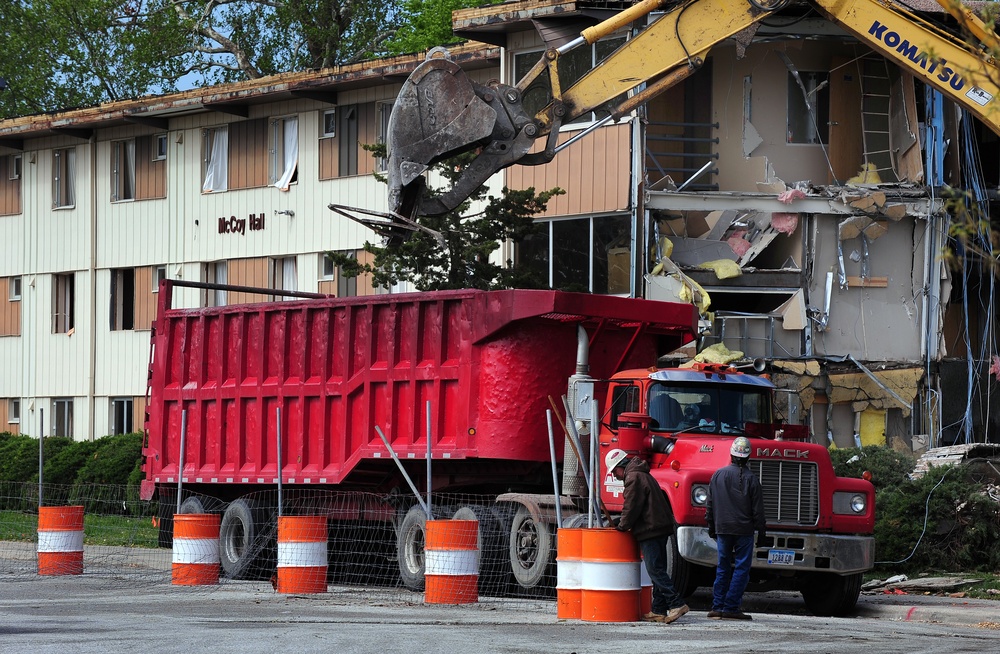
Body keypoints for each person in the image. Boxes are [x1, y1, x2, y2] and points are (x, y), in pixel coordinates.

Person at [607, 448, 690, 624]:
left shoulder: (633, 477)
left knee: (654, 569)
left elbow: (631, 507)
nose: (615, 476)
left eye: (614, 471)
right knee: (657, 569)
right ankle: (659, 610)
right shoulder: (642, 474)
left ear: (621, 466)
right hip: (660, 527)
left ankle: (676, 603)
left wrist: (622, 526)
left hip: (650, 529)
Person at [704, 436, 766, 620]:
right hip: (744, 531)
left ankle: (718, 606)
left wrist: (711, 527)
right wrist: (762, 532)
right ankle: (731, 607)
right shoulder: (752, 480)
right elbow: (758, 511)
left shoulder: (718, 475)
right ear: (748, 457)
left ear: (732, 454)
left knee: (723, 567)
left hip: (723, 529)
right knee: (741, 569)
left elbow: (710, 505)